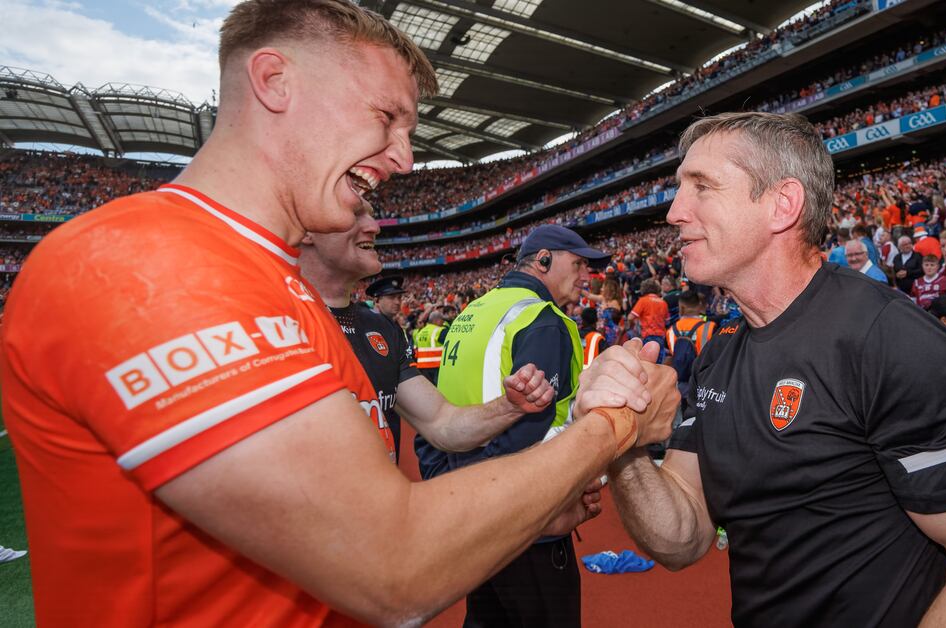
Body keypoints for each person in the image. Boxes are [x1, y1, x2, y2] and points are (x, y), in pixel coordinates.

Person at [0, 3, 679, 625]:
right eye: (386, 118)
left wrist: (521, 503)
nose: (405, 159)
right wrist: (612, 426)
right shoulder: (146, 263)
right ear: (275, 81)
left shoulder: (278, 284)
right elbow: (393, 563)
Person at [609, 111, 946, 627]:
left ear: (782, 204)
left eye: (702, 187)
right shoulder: (720, 354)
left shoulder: (890, 339)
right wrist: (621, 441)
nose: (674, 212)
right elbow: (682, 537)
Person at [432, 224, 680, 628]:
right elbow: (533, 431)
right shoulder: (543, 319)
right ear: (544, 260)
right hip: (525, 519)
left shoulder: (474, 311)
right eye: (579, 264)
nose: (587, 276)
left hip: (470, 509)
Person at [298, 204, 557, 467]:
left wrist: (510, 406)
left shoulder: (384, 329)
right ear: (307, 230)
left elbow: (441, 422)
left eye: (372, 216)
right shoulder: (280, 321)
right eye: (355, 214)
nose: (374, 227)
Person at [629, 278, 670, 362]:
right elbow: (667, 321)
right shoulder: (663, 302)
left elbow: (630, 317)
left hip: (647, 335)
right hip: (661, 336)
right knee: (658, 362)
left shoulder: (643, 300)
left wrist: (635, 326)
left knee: (647, 362)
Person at [413, 309, 445, 384]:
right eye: (442, 320)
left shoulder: (420, 332)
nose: (443, 322)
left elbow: (415, 350)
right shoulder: (439, 330)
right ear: (436, 320)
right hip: (436, 366)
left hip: (422, 367)